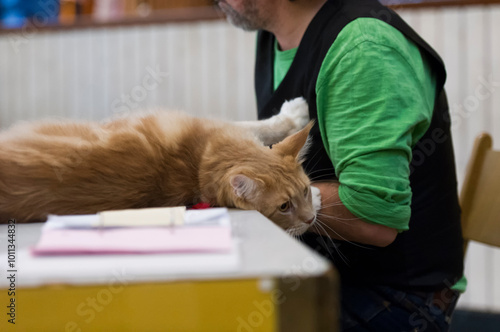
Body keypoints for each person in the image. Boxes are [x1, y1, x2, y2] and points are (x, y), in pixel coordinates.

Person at [216, 0, 465, 330]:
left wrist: (254, 199)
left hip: (395, 297)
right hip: (324, 271)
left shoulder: (363, 48)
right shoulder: (274, 37)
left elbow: (373, 218)